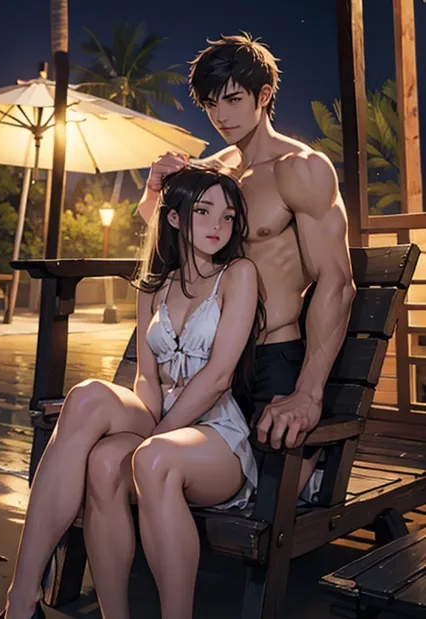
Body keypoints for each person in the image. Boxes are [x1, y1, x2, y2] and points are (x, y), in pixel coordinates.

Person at [0, 166, 264, 619]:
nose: (218, 226)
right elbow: (147, 377)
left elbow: (219, 376)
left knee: (152, 457)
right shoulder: (154, 287)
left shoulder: (238, 274)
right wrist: (143, 423)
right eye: (204, 212)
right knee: (90, 415)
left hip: (216, 435)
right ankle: (23, 599)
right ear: (175, 218)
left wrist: (153, 436)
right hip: (162, 418)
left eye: (228, 215)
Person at [138, 33, 356, 485]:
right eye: (211, 104)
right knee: (140, 468)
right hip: (208, 362)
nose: (221, 116)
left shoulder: (300, 169)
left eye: (234, 99)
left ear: (264, 96)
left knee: (271, 498)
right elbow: (168, 246)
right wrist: (153, 193)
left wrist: (308, 392)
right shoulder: (213, 173)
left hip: (273, 358)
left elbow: (336, 282)